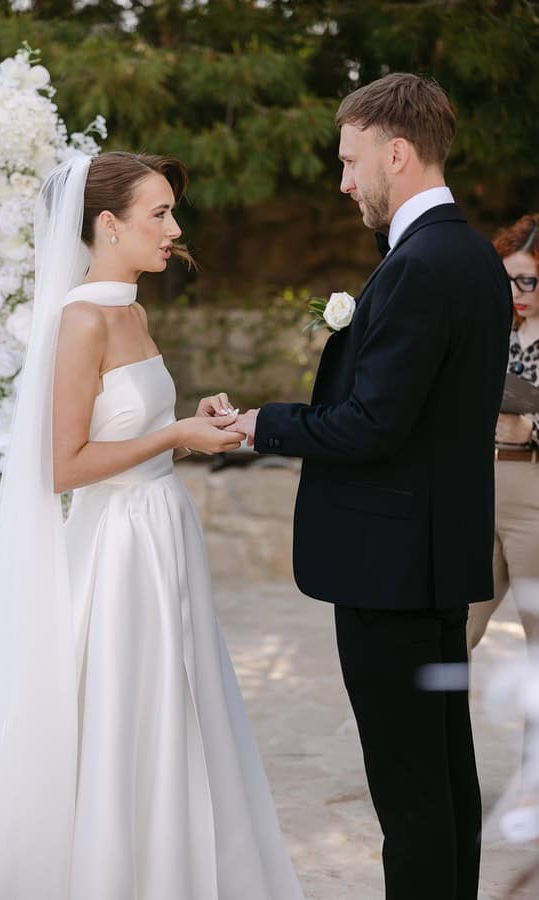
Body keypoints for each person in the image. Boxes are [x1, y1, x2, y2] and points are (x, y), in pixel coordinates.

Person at [0, 151, 304, 900]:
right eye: (159, 214)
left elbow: (129, 428)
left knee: (178, 706)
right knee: (120, 706)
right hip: (116, 549)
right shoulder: (80, 320)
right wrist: (173, 436)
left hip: (162, 530)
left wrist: (191, 424)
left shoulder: (132, 310)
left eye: (172, 213)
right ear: (108, 224)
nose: (175, 229)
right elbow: (64, 465)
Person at [232, 73, 512, 900]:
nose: (343, 182)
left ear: (396, 153)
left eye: (351, 161)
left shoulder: (422, 264)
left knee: (410, 790)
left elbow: (370, 426)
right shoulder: (467, 255)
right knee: (443, 776)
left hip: (391, 572)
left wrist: (261, 423)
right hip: (432, 562)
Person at [467, 214, 539, 653]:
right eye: (508, 280)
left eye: (527, 281)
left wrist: (528, 426)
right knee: (457, 630)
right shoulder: (497, 334)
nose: (516, 293)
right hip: (481, 493)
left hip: (533, 498)